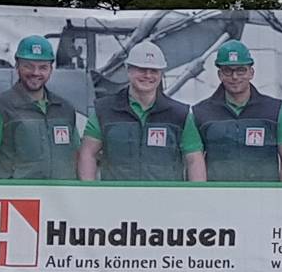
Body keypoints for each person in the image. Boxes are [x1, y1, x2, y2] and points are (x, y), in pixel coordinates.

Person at [0, 35, 95, 181]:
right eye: (28, 66)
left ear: (51, 69)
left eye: (43, 67)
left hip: (61, 199)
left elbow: (76, 157)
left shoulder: (65, 109)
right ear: (17, 66)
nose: (36, 73)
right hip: (18, 200)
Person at [85, 41, 205, 182]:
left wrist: (196, 196)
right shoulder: (104, 110)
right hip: (117, 199)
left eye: (154, 70)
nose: (148, 75)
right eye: (141, 69)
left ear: (161, 74)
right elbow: (88, 153)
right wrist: (89, 194)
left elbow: (194, 160)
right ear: (128, 69)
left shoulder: (180, 115)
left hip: (166, 201)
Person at [194, 39, 282, 183]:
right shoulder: (201, 113)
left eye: (241, 70)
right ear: (220, 75)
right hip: (217, 199)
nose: (235, 77)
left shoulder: (275, 110)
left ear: (251, 72)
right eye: (228, 71)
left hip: (263, 199)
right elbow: (194, 162)